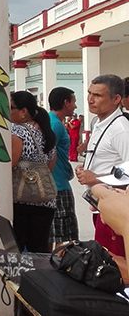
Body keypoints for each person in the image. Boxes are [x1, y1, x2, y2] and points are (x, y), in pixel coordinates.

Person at [75, 74, 129, 256]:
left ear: (116, 99)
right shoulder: (100, 122)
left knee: (114, 264)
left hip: (115, 208)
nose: (90, 100)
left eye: (97, 95)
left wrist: (96, 177)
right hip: (99, 205)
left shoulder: (120, 129)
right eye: (90, 93)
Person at [9, 91, 57, 253]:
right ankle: (40, 278)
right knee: (40, 248)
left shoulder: (18, 133)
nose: (7, 112)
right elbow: (48, 168)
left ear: (24, 111)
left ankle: (19, 278)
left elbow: (12, 164)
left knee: (17, 248)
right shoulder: (47, 132)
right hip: (45, 200)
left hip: (22, 199)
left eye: (10, 108)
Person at [47, 87, 79, 249]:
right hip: (58, 185)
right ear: (66, 103)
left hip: (56, 183)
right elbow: (47, 152)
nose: (75, 106)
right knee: (61, 236)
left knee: (54, 234)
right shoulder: (56, 126)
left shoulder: (51, 121)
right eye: (73, 101)